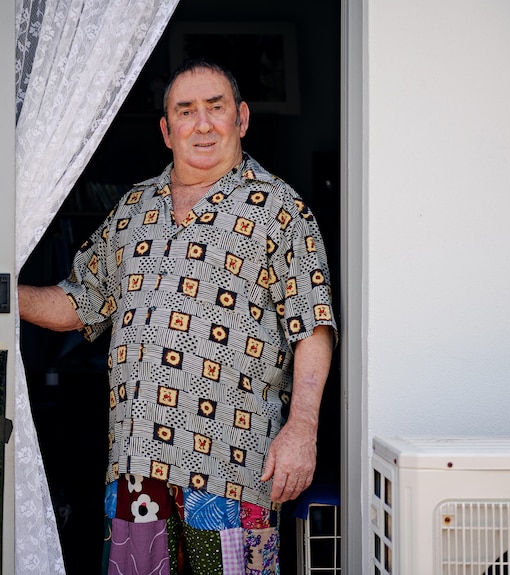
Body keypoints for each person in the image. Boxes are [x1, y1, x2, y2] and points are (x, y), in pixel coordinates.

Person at [19, 59, 337, 575]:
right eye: (186, 112)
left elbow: (312, 326)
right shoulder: (133, 209)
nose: (203, 123)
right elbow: (80, 302)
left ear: (243, 119)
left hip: (235, 465)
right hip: (137, 463)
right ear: (167, 130)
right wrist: (2, 296)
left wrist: (302, 429)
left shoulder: (281, 209)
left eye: (216, 108)